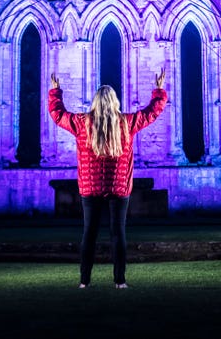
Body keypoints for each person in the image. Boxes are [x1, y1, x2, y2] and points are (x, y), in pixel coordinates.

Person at [48, 68, 167, 289]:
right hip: (119, 186)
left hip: (90, 188)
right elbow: (152, 112)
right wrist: (158, 90)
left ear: (95, 102)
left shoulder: (82, 123)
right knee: (117, 233)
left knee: (89, 233)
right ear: (114, 102)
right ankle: (120, 282)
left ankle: (84, 281)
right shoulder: (126, 123)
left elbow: (58, 115)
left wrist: (56, 92)